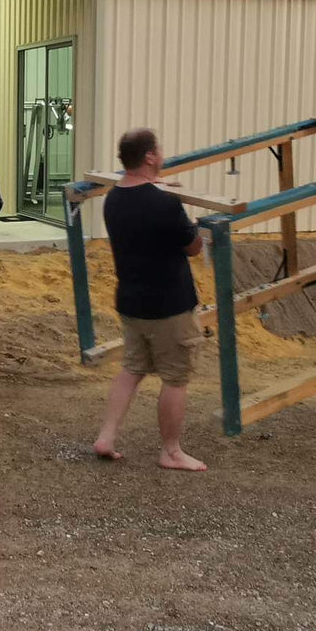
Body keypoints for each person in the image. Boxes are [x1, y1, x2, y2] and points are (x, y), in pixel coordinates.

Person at [91, 128, 207, 472]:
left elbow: (145, 201)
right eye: (159, 149)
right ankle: (171, 451)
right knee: (175, 377)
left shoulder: (114, 198)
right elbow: (193, 247)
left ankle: (106, 436)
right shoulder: (165, 205)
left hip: (131, 301)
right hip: (169, 305)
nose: (162, 153)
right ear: (150, 157)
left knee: (132, 369)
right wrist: (197, 225)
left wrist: (169, 194)